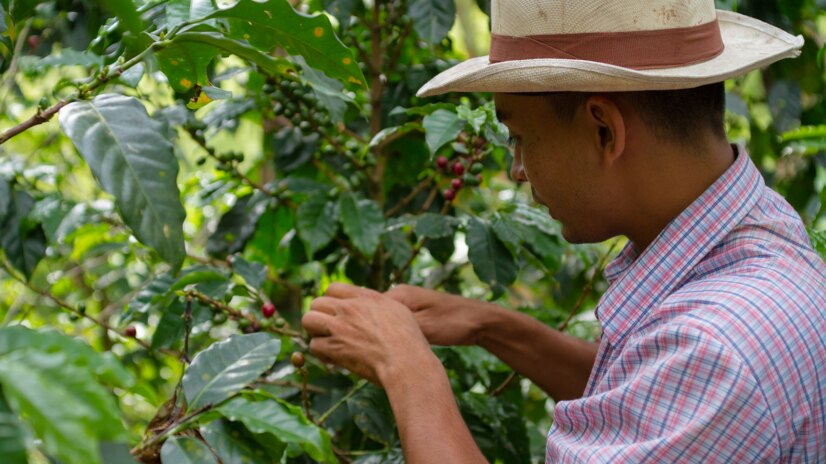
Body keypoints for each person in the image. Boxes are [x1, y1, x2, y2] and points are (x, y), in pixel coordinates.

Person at [302, 0, 826, 462]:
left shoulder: (714, 352)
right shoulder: (759, 227)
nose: (517, 170)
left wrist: (406, 366)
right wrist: (493, 327)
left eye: (520, 137)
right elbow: (647, 399)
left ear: (604, 130)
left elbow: (688, 377)